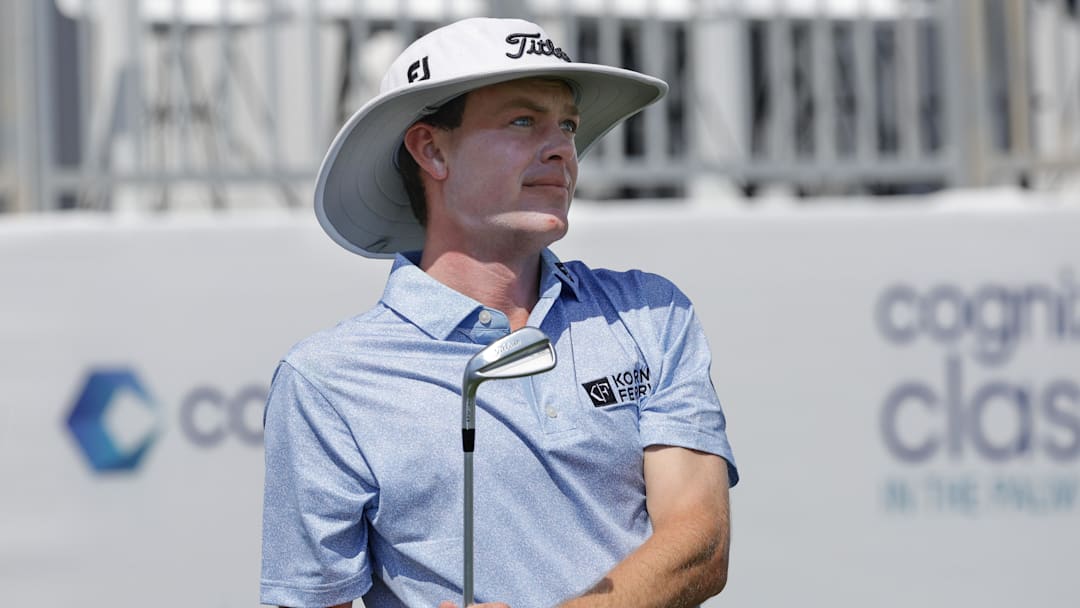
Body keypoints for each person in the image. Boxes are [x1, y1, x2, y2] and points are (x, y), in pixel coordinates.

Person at [260, 16, 738, 608]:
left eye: (567, 125)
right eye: (523, 121)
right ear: (432, 150)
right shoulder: (326, 380)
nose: (562, 148)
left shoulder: (649, 311)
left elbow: (700, 541)